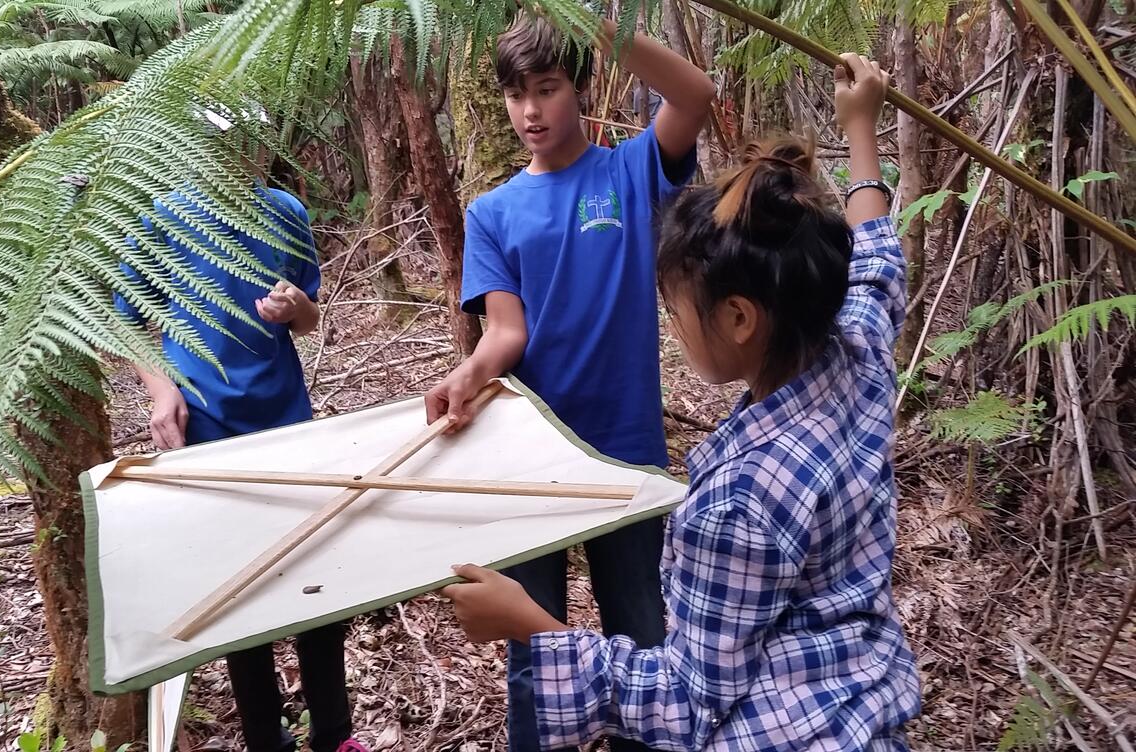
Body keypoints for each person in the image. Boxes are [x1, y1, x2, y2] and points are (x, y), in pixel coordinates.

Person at [442, 55, 923, 750]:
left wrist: (529, 625)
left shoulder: (734, 502)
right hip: (866, 721)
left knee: (640, 616)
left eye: (677, 307)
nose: (671, 321)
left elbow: (683, 700)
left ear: (737, 319)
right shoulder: (862, 361)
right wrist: (862, 128)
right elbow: (875, 260)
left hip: (775, 730)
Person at [422, 12, 715, 752]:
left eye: (547, 89)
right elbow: (507, 333)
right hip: (530, 458)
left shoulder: (627, 172)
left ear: (578, 88)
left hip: (625, 451)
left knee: (642, 634)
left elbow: (696, 95)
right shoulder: (492, 212)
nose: (530, 111)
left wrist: (597, 25)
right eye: (516, 95)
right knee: (533, 651)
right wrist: (468, 373)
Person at [114, 182, 367, 752]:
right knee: (235, 585)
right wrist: (160, 389)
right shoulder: (160, 214)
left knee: (314, 576)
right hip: (207, 427)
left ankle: (333, 732)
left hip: (288, 424)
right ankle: (263, 735)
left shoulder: (284, 211)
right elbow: (124, 324)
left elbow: (308, 317)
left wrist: (296, 309)